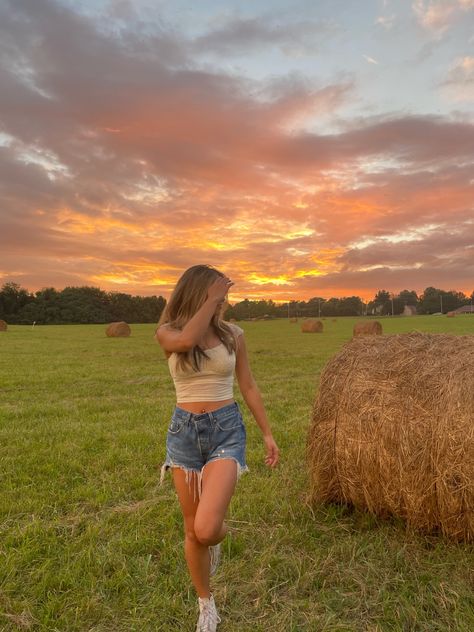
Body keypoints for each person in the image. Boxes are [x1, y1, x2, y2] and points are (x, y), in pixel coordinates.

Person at [155, 264, 279, 632]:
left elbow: (249, 385)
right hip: (184, 435)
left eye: (222, 296)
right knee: (193, 531)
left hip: (226, 431)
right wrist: (209, 302)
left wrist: (267, 434)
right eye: (215, 295)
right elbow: (185, 343)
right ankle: (206, 604)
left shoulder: (233, 336)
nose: (223, 301)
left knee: (208, 530)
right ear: (198, 294)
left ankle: (220, 537)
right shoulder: (168, 332)